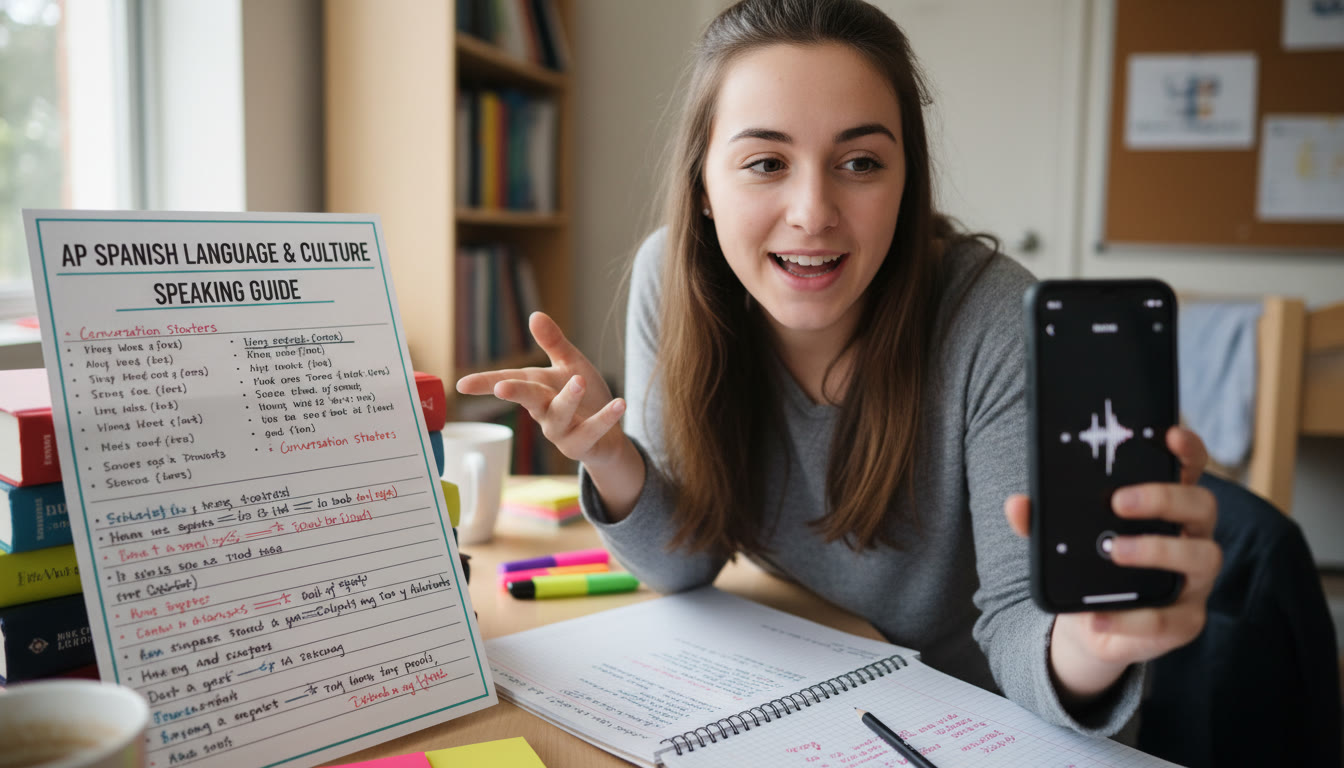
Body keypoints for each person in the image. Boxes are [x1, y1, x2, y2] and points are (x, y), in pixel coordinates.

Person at [457, 0, 1220, 737]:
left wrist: (1093, 642)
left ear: (905, 184)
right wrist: (608, 453)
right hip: (830, 698)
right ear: (705, 189)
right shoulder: (677, 279)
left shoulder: (989, 320)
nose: (813, 210)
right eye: (765, 162)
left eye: (860, 162)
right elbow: (685, 562)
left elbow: (1023, 620)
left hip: (982, 726)